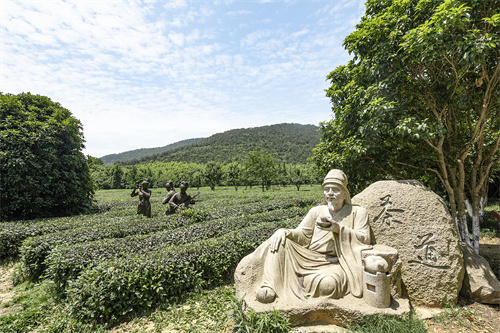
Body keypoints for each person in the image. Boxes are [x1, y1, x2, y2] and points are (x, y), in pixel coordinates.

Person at [254, 169, 372, 303]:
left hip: (335, 262)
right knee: (280, 242)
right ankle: (269, 285)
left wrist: (339, 229)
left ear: (345, 194)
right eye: (327, 189)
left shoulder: (358, 212)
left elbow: (364, 239)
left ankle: (303, 287)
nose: (330, 193)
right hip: (307, 257)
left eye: (335, 190)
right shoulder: (316, 211)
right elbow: (302, 235)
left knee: (328, 285)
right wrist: (285, 231)